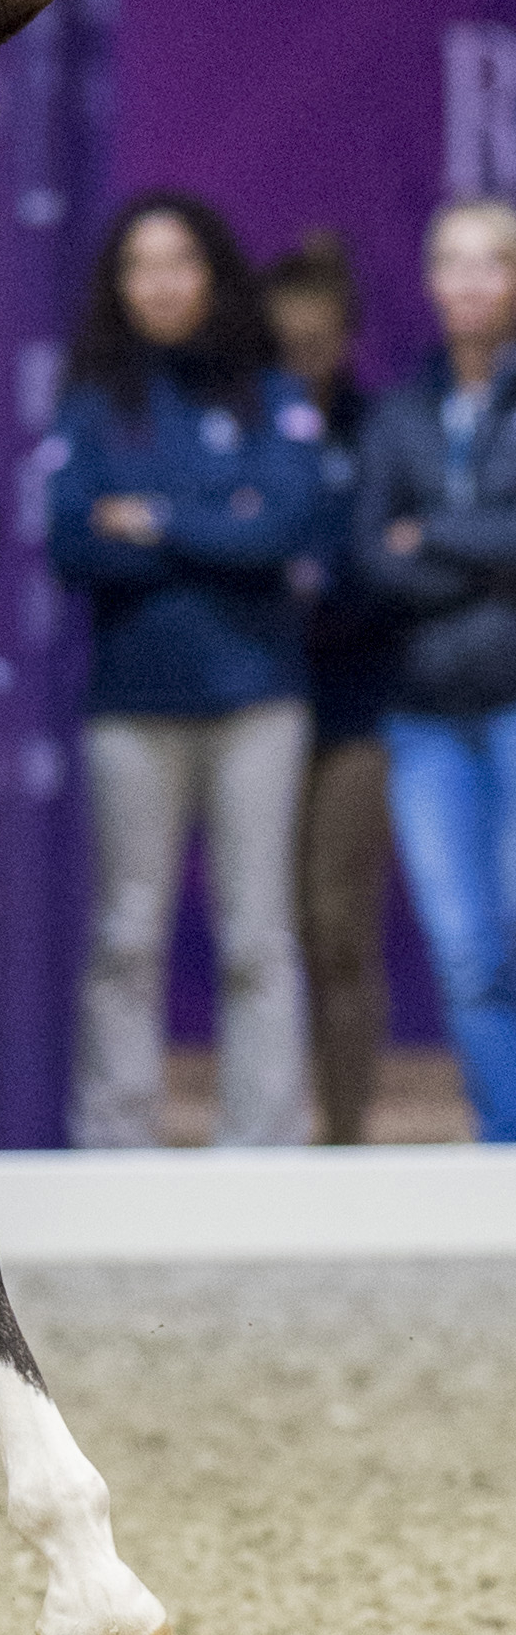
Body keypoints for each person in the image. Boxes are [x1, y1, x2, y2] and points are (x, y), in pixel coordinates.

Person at [48, 195, 325, 1147]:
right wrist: (217, 519)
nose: (159, 282)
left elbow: (281, 529)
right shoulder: (92, 400)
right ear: (118, 284)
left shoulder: (268, 390)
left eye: (177, 262)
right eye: (139, 264)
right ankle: (114, 1141)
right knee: (125, 936)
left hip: (256, 699)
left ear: (212, 273)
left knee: (258, 935)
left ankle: (263, 1146)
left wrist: (156, 519)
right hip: (132, 705)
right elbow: (71, 542)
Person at [353, 198, 516, 1142]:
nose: (467, 281)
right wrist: (481, 554)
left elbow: (414, 541)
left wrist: (435, 535)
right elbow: (370, 555)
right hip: (424, 715)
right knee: (464, 952)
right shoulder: (403, 407)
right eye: (449, 262)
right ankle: (503, 1148)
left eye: (487, 262)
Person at [263, 234, 395, 1141]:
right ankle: (269, 1125)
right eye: (287, 342)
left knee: (336, 926)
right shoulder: (253, 423)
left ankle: (346, 1133)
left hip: (351, 711)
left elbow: (377, 575)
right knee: (266, 931)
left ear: (345, 337)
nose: (303, 357)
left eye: (319, 341)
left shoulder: (376, 429)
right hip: (259, 699)